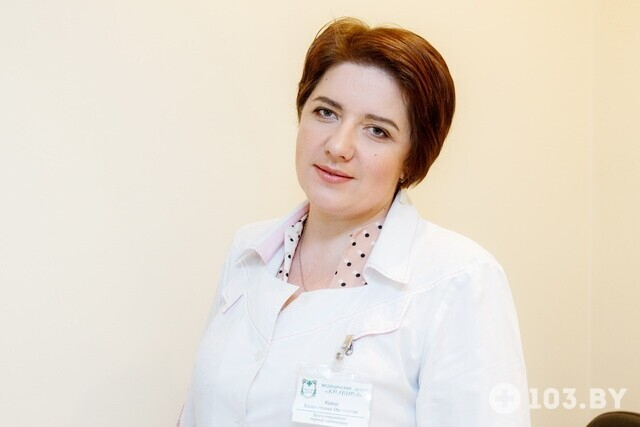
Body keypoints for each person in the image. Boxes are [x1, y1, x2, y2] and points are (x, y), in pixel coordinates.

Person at [179, 17, 530, 426]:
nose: (338, 146)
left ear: (412, 159)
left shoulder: (458, 278)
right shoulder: (249, 251)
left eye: (376, 131)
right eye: (326, 112)